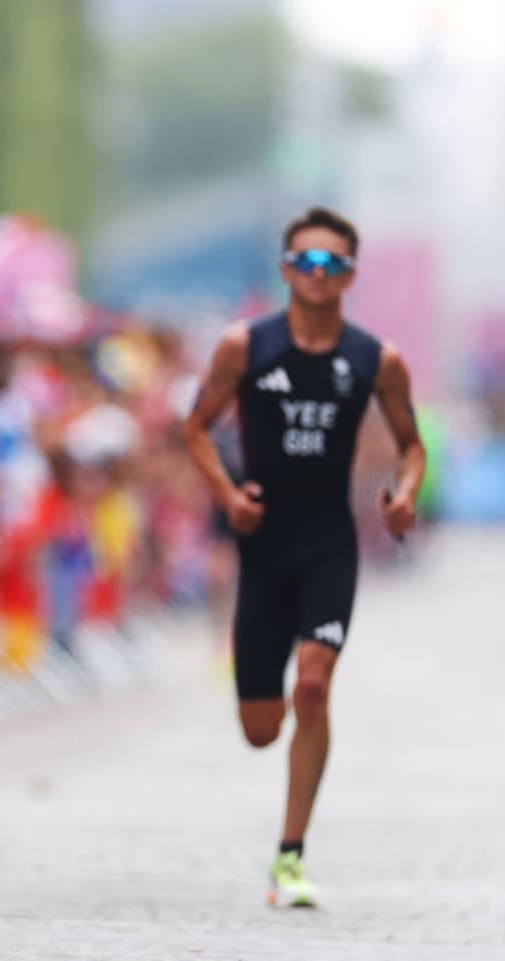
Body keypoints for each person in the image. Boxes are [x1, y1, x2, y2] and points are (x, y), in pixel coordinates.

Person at [182, 206, 425, 908]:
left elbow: (412, 446)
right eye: (306, 262)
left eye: (333, 264)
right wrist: (228, 495)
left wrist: (405, 494)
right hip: (263, 545)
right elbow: (194, 427)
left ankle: (290, 856)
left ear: (350, 274)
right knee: (262, 729)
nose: (319, 274)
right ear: (287, 269)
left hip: (328, 545)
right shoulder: (243, 346)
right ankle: (272, 715)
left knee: (315, 685)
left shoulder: (376, 359)